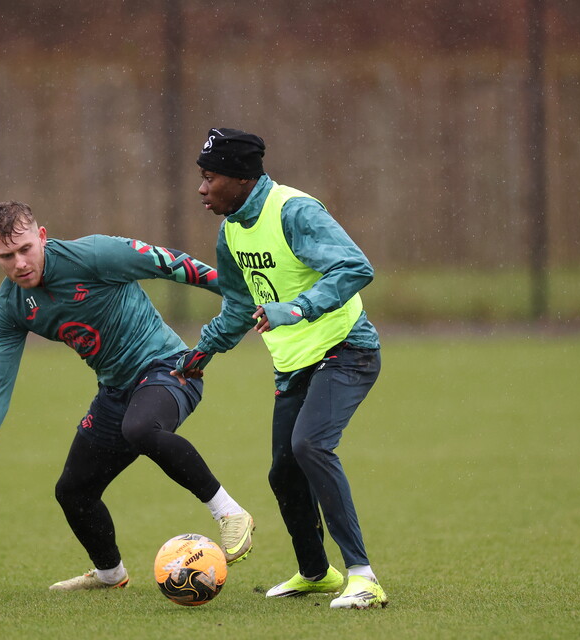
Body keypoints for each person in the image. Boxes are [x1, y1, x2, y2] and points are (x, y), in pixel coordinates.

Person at [0, 200, 254, 591]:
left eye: (26, 249)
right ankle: (110, 574)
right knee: (73, 491)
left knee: (140, 428)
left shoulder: (93, 255)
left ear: (42, 237)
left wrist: (236, 291)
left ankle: (231, 514)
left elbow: (168, 262)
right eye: (7, 256)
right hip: (115, 390)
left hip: (171, 368)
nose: (20, 263)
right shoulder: (11, 307)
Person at [172, 128, 388, 609]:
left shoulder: (295, 211)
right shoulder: (230, 232)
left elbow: (355, 267)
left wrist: (298, 307)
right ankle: (316, 573)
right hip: (295, 364)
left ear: (243, 178)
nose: (202, 188)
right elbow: (237, 307)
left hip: (347, 349)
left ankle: (363, 576)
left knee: (311, 445)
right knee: (283, 474)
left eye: (211, 177)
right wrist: (200, 354)